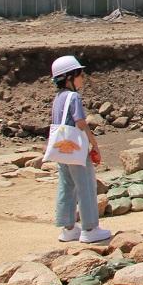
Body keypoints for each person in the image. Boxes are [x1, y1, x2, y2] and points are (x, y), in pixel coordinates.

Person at [49, 55, 111, 244]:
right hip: (76, 149)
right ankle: (90, 228)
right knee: (86, 186)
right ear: (69, 77)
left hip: (61, 149)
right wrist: (94, 143)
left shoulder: (57, 98)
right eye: (80, 75)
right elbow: (81, 123)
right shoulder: (73, 96)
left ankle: (68, 228)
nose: (82, 78)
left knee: (66, 185)